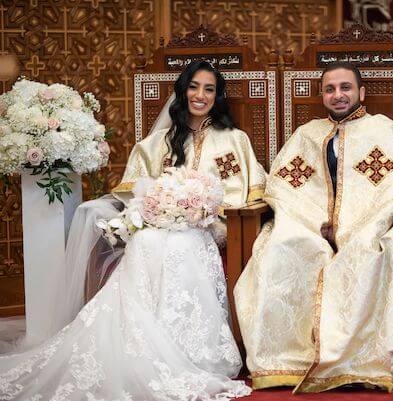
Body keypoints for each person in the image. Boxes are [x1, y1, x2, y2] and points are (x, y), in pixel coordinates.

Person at [0, 61, 263, 400]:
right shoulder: (158, 143)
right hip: (161, 223)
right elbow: (136, 190)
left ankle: (186, 350)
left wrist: (199, 209)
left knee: (181, 245)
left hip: (208, 226)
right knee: (148, 242)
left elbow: (250, 187)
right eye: (194, 87)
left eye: (209, 89)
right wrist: (159, 207)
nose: (200, 95)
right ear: (183, 91)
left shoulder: (234, 140)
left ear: (218, 95)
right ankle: (139, 344)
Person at [234, 61, 393, 393]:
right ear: (322, 95)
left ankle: (355, 362)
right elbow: (282, 186)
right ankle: (288, 361)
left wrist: (353, 225)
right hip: (308, 225)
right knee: (278, 250)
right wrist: (312, 221)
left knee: (366, 252)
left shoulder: (382, 129)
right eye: (330, 89)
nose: (338, 95)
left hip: (367, 225)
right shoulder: (307, 133)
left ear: (361, 92)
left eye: (345, 87)